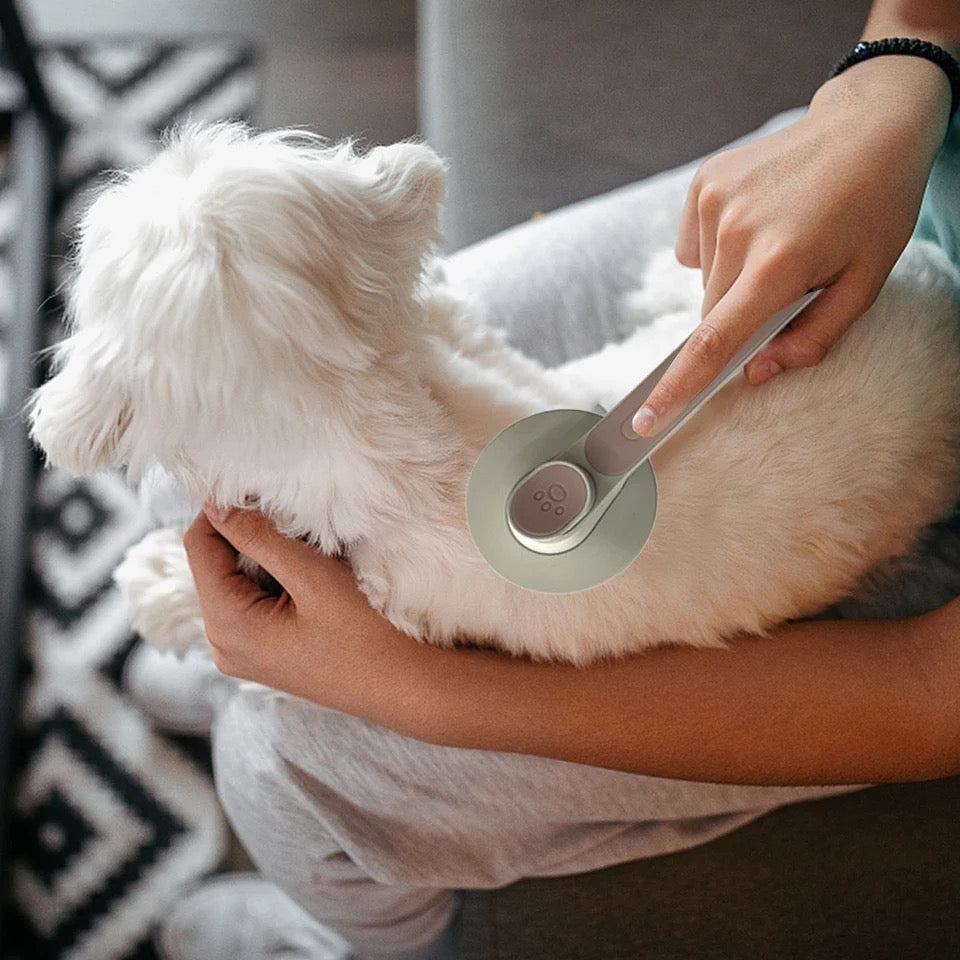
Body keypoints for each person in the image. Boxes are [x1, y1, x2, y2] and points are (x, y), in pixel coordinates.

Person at [159, 2, 960, 958]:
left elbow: (931, 688)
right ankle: (208, 643)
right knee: (193, 461)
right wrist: (903, 63)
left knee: (279, 770)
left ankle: (366, 942)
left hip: (922, 512)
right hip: (884, 183)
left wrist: (423, 693)